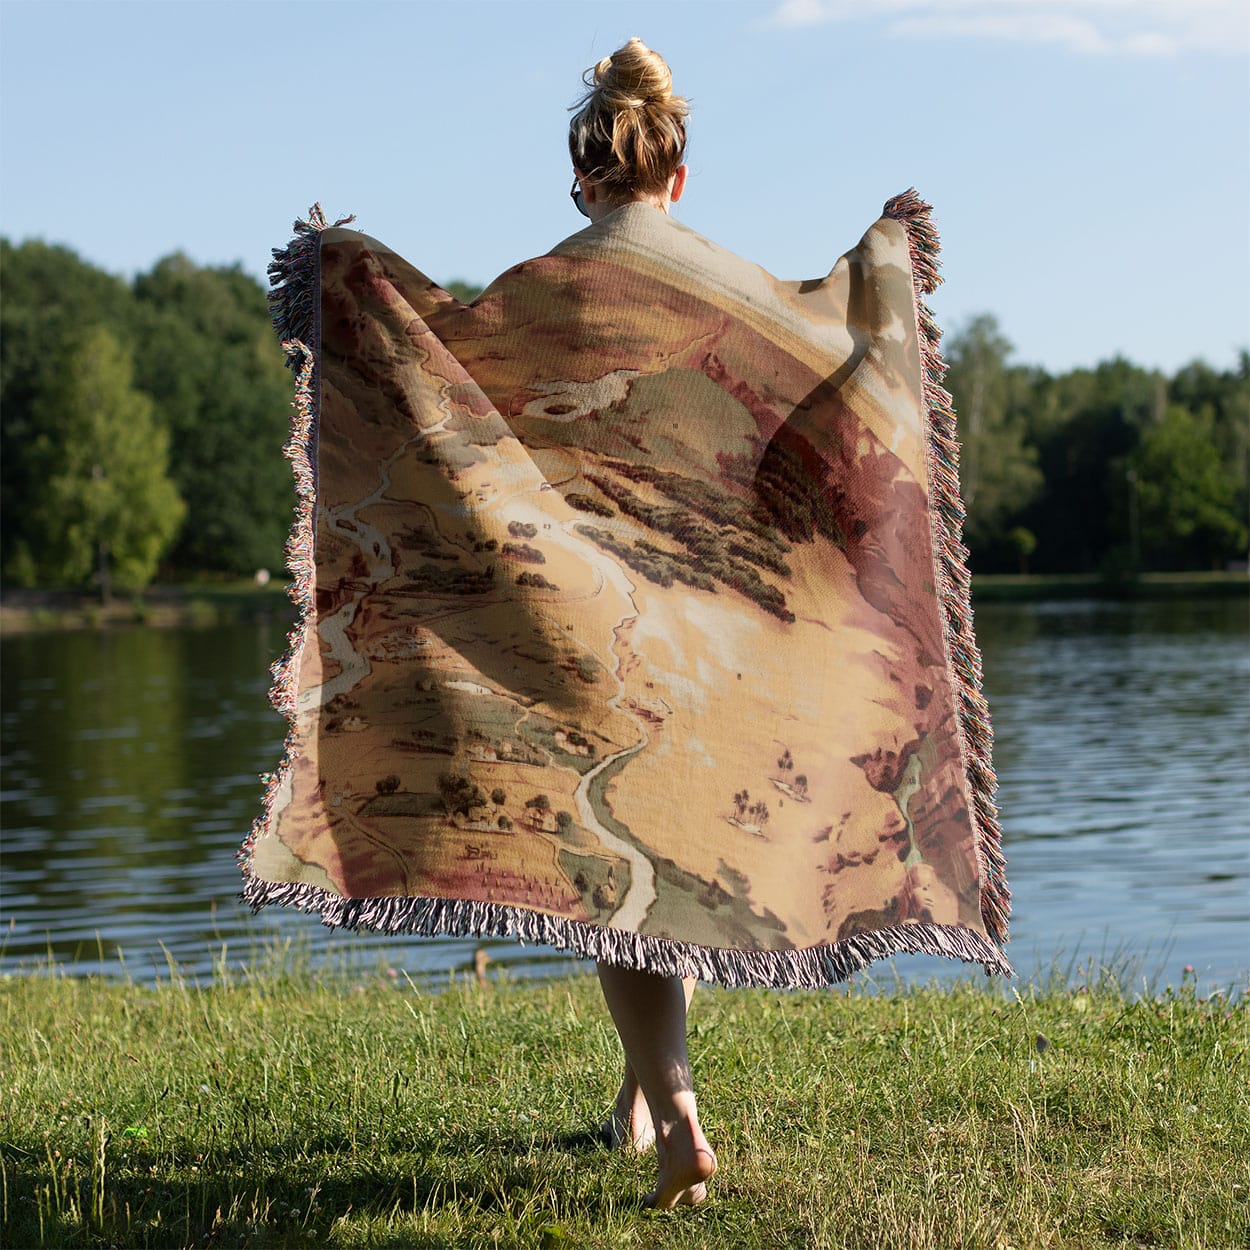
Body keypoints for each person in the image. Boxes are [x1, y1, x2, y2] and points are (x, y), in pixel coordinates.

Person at [566, 36, 717, 1212]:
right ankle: (633, 1099)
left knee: (614, 879)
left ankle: (675, 1115)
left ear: (583, 178)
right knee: (658, 867)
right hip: (705, 624)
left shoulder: (543, 286)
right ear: (676, 174)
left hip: (582, 619)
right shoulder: (725, 286)